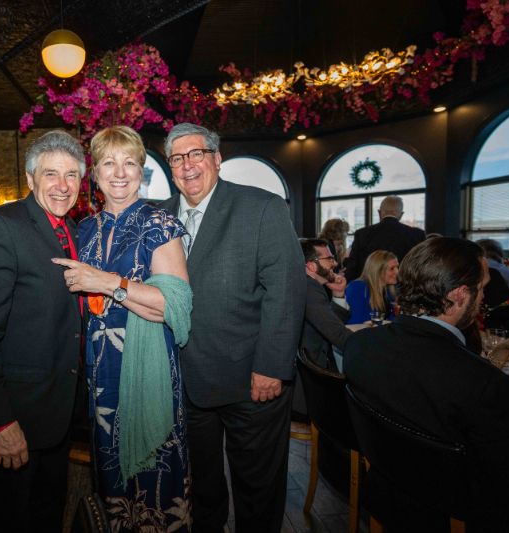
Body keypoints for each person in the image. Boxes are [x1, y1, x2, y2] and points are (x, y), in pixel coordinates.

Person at [159, 123, 305, 533]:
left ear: (217, 159)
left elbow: (286, 290)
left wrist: (272, 366)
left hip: (251, 380)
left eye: (197, 154)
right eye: (177, 158)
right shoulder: (159, 216)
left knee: (257, 490)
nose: (187, 165)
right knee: (201, 487)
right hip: (185, 381)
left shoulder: (261, 207)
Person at [51, 126, 192, 531]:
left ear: (141, 172)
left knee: (156, 484)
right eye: (108, 163)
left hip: (147, 373)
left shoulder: (159, 223)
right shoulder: (83, 230)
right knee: (112, 483)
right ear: (94, 174)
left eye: (129, 163)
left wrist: (107, 282)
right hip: (100, 374)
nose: (119, 173)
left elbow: (174, 307)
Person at [344, 237, 509, 531]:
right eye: (481, 288)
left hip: (388, 487)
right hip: (457, 507)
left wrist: (499, 353)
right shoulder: (487, 386)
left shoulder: (360, 346)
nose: (483, 298)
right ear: (459, 295)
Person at [0, 130, 84, 532]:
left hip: (57, 411)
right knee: (13, 519)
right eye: (51, 174)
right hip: (17, 415)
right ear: (30, 179)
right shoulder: (2, 226)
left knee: (49, 513)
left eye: (71, 175)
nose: (62, 185)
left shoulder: (72, 230)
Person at [344, 195, 425, 281]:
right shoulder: (417, 235)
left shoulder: (362, 234)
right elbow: (421, 267)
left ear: (379, 212)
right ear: (401, 214)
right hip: (403, 286)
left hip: (369, 286)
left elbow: (352, 267)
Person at [300, 238, 352, 370]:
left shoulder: (308, 285)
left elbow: (330, 324)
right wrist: (372, 346)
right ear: (311, 266)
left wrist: (338, 293)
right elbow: (337, 333)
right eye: (329, 259)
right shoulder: (309, 288)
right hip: (313, 371)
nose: (335, 263)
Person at [345, 250, 398, 324]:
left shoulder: (388, 290)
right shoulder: (358, 288)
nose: (397, 272)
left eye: (397, 267)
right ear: (378, 271)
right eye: (392, 268)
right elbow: (356, 323)